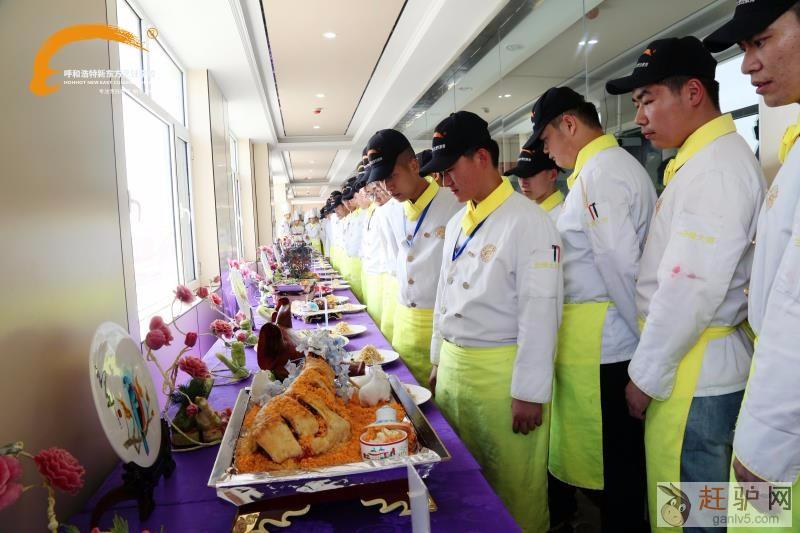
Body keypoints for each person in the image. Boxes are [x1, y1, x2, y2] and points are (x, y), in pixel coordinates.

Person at [606, 36, 766, 531]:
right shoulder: (706, 160)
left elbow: (688, 288)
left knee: (700, 519)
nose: (640, 118)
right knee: (702, 511)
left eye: (648, 100)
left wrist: (644, 376)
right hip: (697, 367)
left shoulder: (715, 169)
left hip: (700, 377)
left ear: (693, 92)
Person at [423, 111, 563, 532]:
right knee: (460, 479)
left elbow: (541, 309)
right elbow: (443, 296)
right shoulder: (457, 221)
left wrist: (529, 391)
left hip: (502, 377)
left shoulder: (529, 221)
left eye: (450, 169)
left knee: (512, 483)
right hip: (455, 371)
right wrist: (437, 359)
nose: (444, 181)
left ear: (481, 157)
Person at [530, 86, 656, 531]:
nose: (546, 150)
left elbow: (621, 268)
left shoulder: (601, 174)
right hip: (598, 341)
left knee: (616, 474)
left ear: (569, 124)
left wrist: (647, 350)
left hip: (611, 345)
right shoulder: (598, 169)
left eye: (546, 139)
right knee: (610, 469)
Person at [704, 2, 800, 530]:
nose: (747, 65)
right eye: (744, 49)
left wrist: (765, 444)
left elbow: (795, 308)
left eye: (761, 41)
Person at [365, 128, 461, 385]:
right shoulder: (391, 211)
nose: (388, 186)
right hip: (404, 325)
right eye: (382, 179)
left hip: (441, 327)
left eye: (392, 175)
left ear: (414, 165)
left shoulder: (454, 203)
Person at [505, 135, 565, 222]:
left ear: (552, 175)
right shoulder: (525, 212)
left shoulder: (564, 217)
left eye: (530, 174)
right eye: (519, 175)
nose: (523, 183)